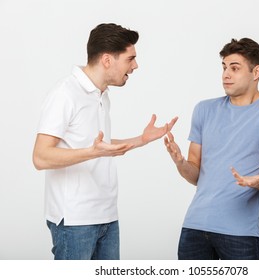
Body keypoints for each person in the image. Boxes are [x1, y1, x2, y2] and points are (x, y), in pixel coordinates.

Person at [32, 23, 177, 260]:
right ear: (108, 60)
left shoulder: (101, 94)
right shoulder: (65, 93)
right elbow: (40, 157)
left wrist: (141, 139)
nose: (136, 66)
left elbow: (100, 144)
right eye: (130, 59)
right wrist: (93, 152)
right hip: (75, 222)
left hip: (107, 217)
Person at [164, 38, 259, 260]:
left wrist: (258, 181)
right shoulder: (204, 110)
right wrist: (181, 163)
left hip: (240, 234)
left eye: (234, 68)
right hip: (194, 228)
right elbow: (195, 175)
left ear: (256, 72)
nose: (226, 74)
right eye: (224, 67)